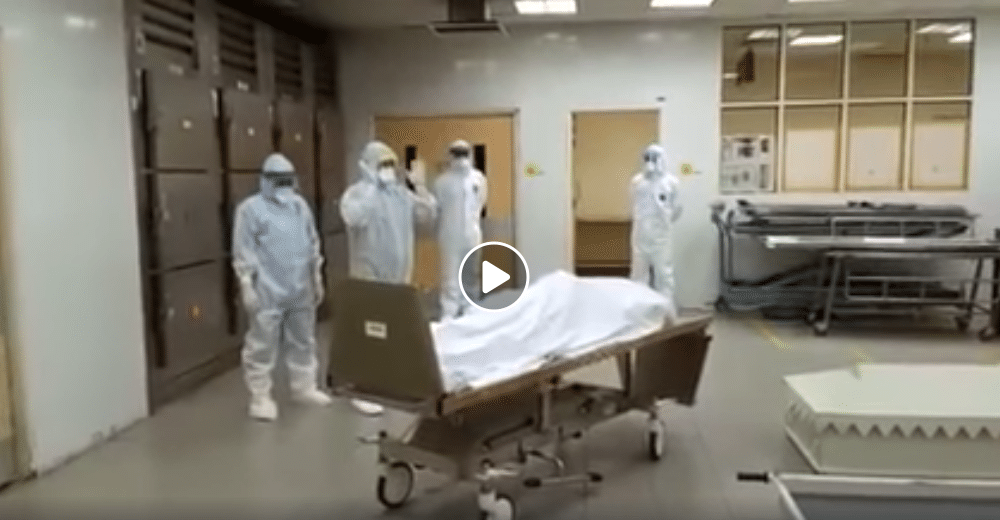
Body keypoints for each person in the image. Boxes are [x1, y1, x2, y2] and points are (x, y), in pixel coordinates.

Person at [232, 153, 332, 422]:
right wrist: (246, 284)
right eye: (279, 180)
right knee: (262, 343)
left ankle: (304, 387)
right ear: (265, 180)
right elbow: (244, 250)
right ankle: (260, 396)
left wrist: (316, 276)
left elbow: (312, 243)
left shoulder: (299, 206)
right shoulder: (250, 210)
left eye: (288, 179)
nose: (284, 186)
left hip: (300, 286)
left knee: (304, 339)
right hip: (267, 289)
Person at [340, 140, 438, 415]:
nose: (388, 170)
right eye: (382, 164)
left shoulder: (400, 195)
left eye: (391, 164)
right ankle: (362, 388)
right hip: (369, 278)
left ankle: (390, 383)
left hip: (398, 278)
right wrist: (371, 186)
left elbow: (427, 215)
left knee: (393, 333)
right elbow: (354, 218)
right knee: (369, 333)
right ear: (368, 167)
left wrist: (420, 187)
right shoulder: (357, 194)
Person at [433, 140, 488, 319]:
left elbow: (481, 202)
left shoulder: (478, 179)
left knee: (471, 275)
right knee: (450, 277)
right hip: (450, 236)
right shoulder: (442, 181)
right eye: (457, 154)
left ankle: (471, 313)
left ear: (469, 154)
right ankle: (449, 316)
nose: (460, 158)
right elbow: (437, 207)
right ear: (450, 156)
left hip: (472, 235)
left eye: (463, 153)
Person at [630, 143, 683, 301]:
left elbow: (676, 209)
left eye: (655, 158)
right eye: (648, 158)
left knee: (664, 274)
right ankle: (639, 308)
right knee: (638, 274)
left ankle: (665, 308)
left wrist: (663, 222)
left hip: (661, 237)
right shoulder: (637, 182)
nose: (651, 162)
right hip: (641, 235)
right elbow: (635, 205)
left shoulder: (671, 182)